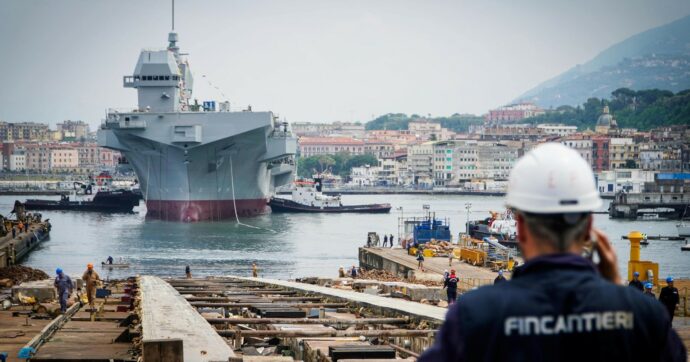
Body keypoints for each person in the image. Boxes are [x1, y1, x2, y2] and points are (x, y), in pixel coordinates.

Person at [419, 143, 686, 361]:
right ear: (589, 226)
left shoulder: (475, 315)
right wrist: (617, 293)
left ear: (520, 227)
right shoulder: (645, 317)